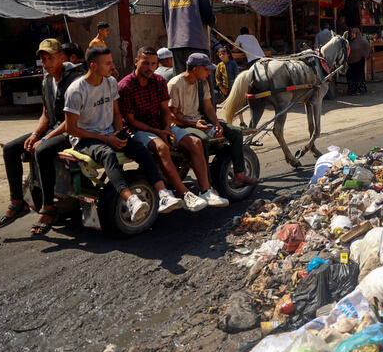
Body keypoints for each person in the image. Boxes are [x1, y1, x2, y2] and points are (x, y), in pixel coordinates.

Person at [64, 47, 174, 227]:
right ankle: (131, 200)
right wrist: (107, 139)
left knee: (139, 148)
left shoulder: (110, 82)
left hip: (109, 132)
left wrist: (118, 131)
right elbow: (71, 129)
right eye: (107, 63)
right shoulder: (76, 90)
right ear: (93, 65)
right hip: (84, 138)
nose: (112, 66)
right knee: (108, 154)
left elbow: (116, 113)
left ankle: (163, 193)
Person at [0, 38, 86, 233]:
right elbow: (46, 113)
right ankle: (17, 202)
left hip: (73, 129)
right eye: (43, 59)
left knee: (42, 151)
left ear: (62, 57)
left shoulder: (76, 80)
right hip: (53, 128)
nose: (46, 63)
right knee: (11, 149)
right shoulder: (46, 80)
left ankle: (48, 208)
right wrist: (36, 134)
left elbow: (72, 119)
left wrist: (44, 139)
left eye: (50, 58)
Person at [118, 47, 212, 212]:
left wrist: (167, 129)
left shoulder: (159, 81)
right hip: (138, 130)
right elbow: (131, 122)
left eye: (153, 64)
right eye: (145, 63)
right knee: (161, 147)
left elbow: (165, 110)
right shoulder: (126, 86)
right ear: (136, 62)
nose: (149, 67)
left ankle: (206, 191)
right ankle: (184, 194)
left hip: (160, 126)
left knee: (196, 142)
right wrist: (160, 133)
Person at [168, 53, 258, 191]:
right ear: (196, 69)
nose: (209, 72)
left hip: (198, 121)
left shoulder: (202, 82)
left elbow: (208, 107)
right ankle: (208, 184)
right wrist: (194, 125)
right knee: (202, 139)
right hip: (181, 125)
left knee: (235, 132)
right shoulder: (175, 84)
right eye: (206, 69)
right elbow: (172, 115)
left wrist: (216, 124)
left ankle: (239, 174)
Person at [163, 0, 215, 73]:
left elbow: (164, 21)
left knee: (182, 82)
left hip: (175, 46)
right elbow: (209, 18)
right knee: (200, 84)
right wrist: (213, 20)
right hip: (197, 46)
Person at [346, 28, 372, 95]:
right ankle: (352, 90)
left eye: (353, 33)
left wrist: (364, 55)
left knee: (358, 76)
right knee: (351, 75)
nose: (352, 34)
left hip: (359, 62)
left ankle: (360, 89)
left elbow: (368, 47)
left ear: (357, 33)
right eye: (352, 33)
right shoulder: (350, 41)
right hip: (351, 62)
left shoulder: (362, 41)